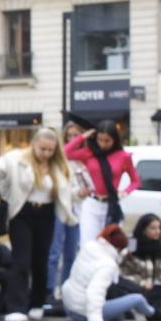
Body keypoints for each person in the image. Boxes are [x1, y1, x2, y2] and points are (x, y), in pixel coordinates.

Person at [0, 127, 76, 321]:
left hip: (46, 213)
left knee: (41, 260)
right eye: (43, 149)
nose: (46, 154)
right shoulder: (17, 158)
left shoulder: (58, 165)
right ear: (33, 144)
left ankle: (36, 303)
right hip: (22, 213)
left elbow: (67, 191)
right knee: (21, 260)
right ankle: (17, 308)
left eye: (50, 150)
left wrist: (80, 194)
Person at [63, 224, 155, 321]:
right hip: (83, 313)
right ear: (118, 248)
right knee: (137, 299)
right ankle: (154, 313)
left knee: (120, 314)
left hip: (69, 305)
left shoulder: (89, 247)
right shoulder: (108, 264)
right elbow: (95, 292)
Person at [64, 121, 138, 243]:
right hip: (92, 204)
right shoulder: (89, 152)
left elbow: (135, 181)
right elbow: (64, 152)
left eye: (107, 140)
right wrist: (83, 136)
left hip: (112, 204)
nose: (103, 144)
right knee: (87, 245)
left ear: (114, 139)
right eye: (100, 140)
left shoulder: (123, 156)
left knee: (110, 245)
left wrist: (125, 192)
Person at [46, 122, 91, 298]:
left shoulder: (86, 156)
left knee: (71, 252)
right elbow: (65, 151)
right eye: (69, 136)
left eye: (76, 135)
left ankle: (66, 291)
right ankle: (49, 291)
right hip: (61, 206)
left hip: (80, 208)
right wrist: (81, 137)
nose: (73, 139)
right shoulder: (61, 158)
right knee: (54, 252)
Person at [120, 213, 161, 309]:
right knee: (123, 285)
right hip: (139, 287)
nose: (157, 231)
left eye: (159, 228)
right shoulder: (132, 246)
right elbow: (123, 272)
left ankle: (151, 303)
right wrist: (142, 283)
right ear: (144, 230)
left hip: (159, 287)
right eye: (153, 228)